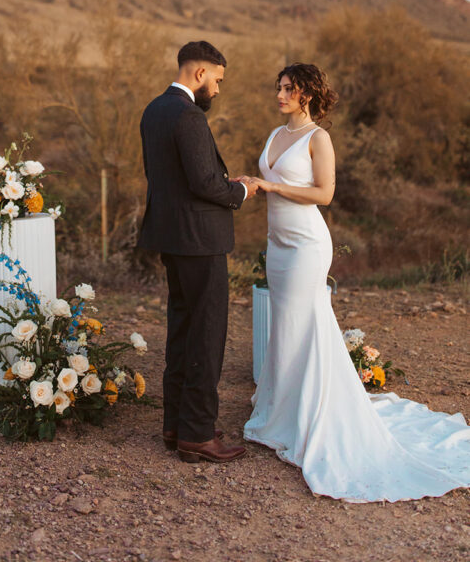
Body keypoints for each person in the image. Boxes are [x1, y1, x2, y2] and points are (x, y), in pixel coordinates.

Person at [243, 63, 470, 502]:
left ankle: (313, 416)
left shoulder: (318, 138)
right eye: (279, 87)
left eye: (288, 89)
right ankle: (281, 412)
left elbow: (324, 194)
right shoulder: (274, 135)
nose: (280, 94)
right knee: (286, 324)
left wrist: (269, 189)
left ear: (306, 94)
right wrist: (251, 186)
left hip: (307, 245)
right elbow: (270, 182)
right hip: (278, 244)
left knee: (308, 321)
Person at [138, 40, 257, 464]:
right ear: (200, 73)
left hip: (171, 238)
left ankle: (176, 426)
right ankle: (198, 435)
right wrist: (242, 189)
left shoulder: (153, 110)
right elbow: (205, 183)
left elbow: (165, 177)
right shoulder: (188, 115)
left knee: (183, 330)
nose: (219, 90)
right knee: (206, 336)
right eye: (218, 80)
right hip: (200, 241)